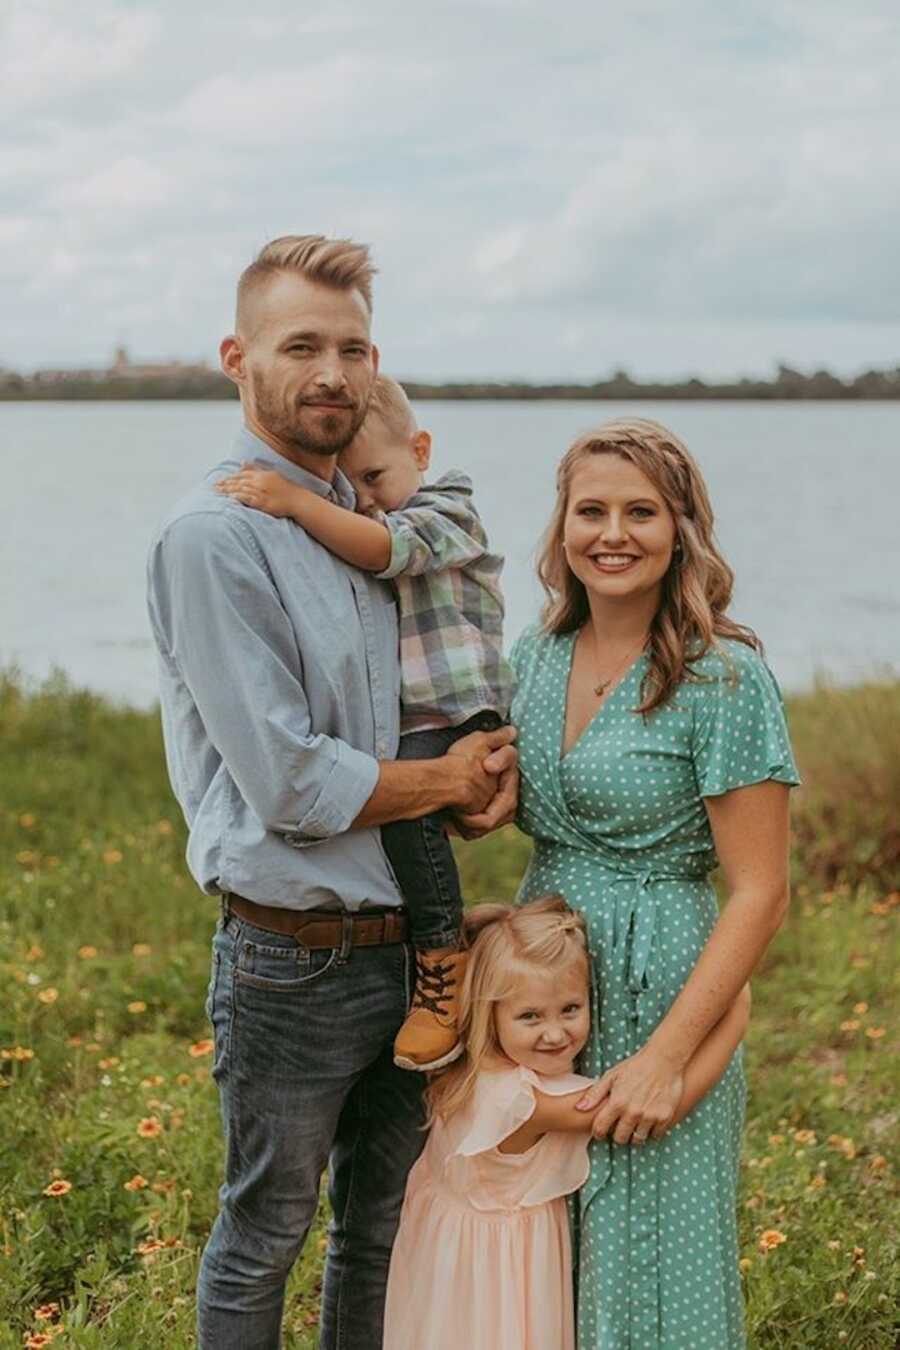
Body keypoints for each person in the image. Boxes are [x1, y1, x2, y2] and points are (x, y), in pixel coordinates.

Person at [145, 234, 517, 1350]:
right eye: (300, 343)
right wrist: (440, 779)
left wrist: (483, 775)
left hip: (416, 954)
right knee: (266, 1231)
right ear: (237, 356)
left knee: (385, 1228)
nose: (330, 372)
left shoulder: (380, 529)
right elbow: (291, 779)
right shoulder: (218, 536)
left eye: (351, 348)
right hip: (292, 953)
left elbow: (427, 692)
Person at [509, 418, 801, 1348]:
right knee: (543, 1240)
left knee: (657, 1247)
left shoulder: (724, 678)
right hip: (547, 981)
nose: (613, 533)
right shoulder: (535, 655)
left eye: (642, 511)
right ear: (561, 527)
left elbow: (762, 890)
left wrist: (667, 1057)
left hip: (661, 978)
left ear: (682, 529)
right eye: (590, 510)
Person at [215, 373, 514, 1072]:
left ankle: (445, 954)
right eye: (353, 488)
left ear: (422, 447)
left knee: (413, 806)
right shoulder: (361, 523)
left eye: (378, 476)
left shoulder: (450, 510)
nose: (369, 499)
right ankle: (439, 939)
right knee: (407, 804)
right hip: (421, 713)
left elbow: (386, 548)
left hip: (460, 707)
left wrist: (293, 501)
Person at [382, 897, 750, 1350]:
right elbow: (657, 1108)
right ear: (489, 1013)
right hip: (499, 1274)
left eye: (570, 1009)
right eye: (530, 1016)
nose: (555, 1033)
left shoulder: (468, 1066)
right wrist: (735, 1017)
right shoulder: (527, 1102)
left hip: (446, 1261)